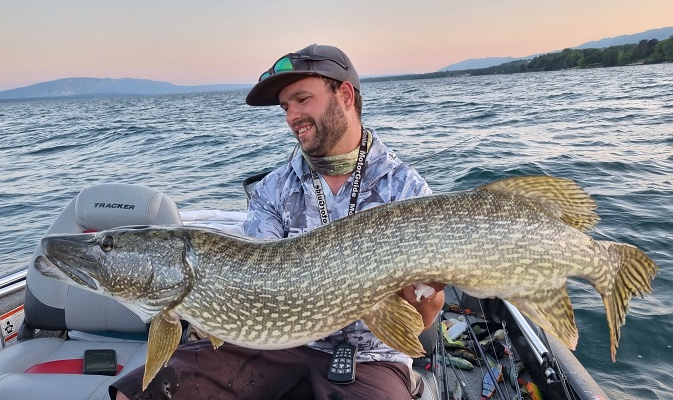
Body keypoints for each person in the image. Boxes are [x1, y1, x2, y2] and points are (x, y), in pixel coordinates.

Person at [111, 43, 445, 400]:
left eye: (302, 99)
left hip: (370, 357)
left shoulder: (405, 187)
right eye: (286, 106)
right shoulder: (273, 189)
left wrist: (428, 295)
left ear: (345, 94)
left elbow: (420, 319)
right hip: (276, 344)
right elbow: (256, 276)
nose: (291, 116)